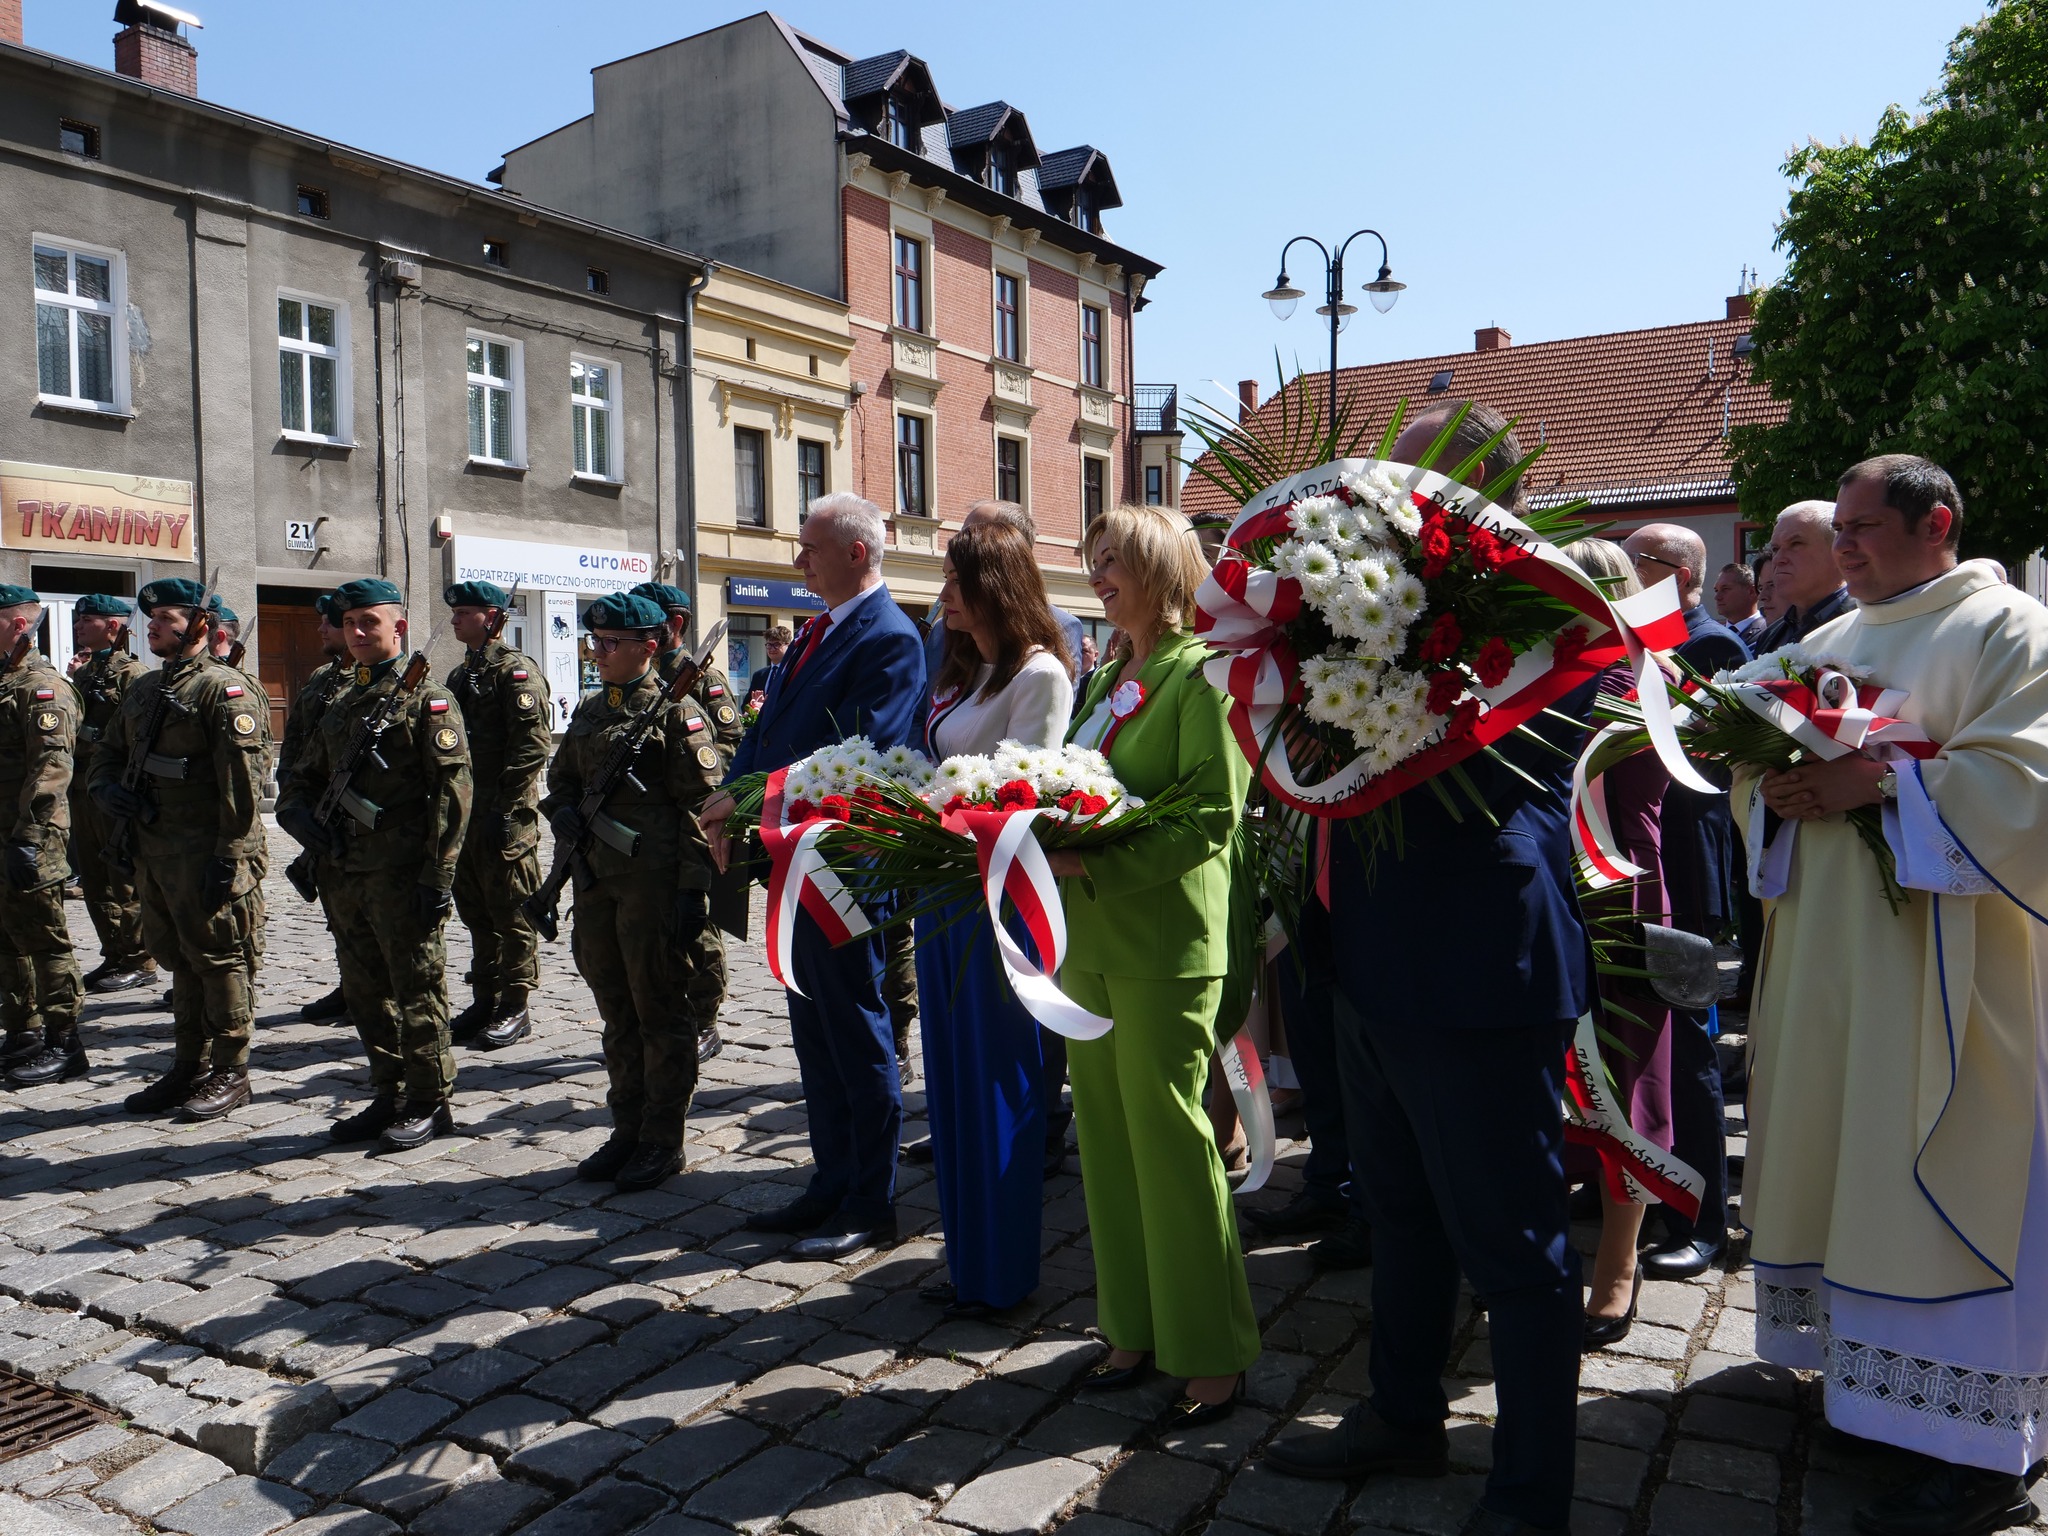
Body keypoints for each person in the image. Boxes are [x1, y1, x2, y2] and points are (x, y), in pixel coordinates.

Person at [1264, 403, 1587, 1536]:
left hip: (1474, 966)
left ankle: (1530, 1493)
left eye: (1410, 481)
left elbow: (1500, 768)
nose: (1383, 499)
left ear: (1470, 494)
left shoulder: (1544, 610)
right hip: (1369, 952)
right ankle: (1401, 1415)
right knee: (1398, 1212)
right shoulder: (1369, 606)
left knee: (1512, 1243)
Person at [1744, 456, 2048, 1536]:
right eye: (1839, 528)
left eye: (1864, 527)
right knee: (1850, 1156)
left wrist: (1876, 781)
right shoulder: (1825, 642)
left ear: (1936, 523)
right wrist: (1774, 790)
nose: (1845, 545)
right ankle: (1873, 1395)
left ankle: (1980, 1450)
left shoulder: (2009, 629)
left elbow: (2028, 787)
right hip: (1830, 963)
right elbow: (1749, 767)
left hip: (1948, 971)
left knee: (1946, 1163)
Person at [1048, 502, 1259, 1429]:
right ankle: (1131, 1328)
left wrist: (1086, 862)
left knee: (1172, 1146)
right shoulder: (1106, 676)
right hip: (1091, 941)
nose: (1097, 577)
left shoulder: (1205, 672)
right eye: (1093, 560)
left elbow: (1212, 815)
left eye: (1114, 562)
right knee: (1105, 1140)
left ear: (1164, 572)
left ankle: (1211, 1354)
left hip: (1166, 944)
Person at [700, 493, 926, 1259]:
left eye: (810, 547)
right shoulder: (816, 629)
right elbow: (765, 731)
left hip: (845, 867)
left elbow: (863, 753)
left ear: (857, 552)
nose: (798, 559)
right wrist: (731, 796)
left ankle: (871, 1200)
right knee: (815, 1032)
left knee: (857, 1033)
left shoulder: (889, 636)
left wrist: (747, 799)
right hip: (792, 862)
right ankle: (830, 1182)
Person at [914, 521, 1073, 1318]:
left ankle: (1002, 1271)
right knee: (951, 1085)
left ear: (994, 587)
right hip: (942, 894)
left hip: (996, 898)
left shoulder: (1038, 675)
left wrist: (933, 809)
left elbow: (1021, 799)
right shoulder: (965, 669)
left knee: (998, 1082)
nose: (944, 594)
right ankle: (966, 1258)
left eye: (957, 580)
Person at [277, 579, 471, 1150]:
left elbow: (453, 795)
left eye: (370, 622)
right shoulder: (342, 701)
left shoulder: (427, 700)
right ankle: (389, 1090)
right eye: (349, 623)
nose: (358, 632)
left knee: (416, 987)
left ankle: (430, 1100)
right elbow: (305, 772)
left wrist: (438, 875)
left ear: (399, 628)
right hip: (343, 869)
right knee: (364, 988)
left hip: (400, 871)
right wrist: (295, 814)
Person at [545, 590, 725, 1190]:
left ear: (649, 646)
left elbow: (702, 809)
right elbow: (562, 776)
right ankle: (627, 1127)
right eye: (594, 641)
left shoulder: (677, 714)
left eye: (609, 643)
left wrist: (692, 893)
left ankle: (662, 1138)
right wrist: (562, 809)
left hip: (653, 887)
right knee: (616, 1011)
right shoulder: (592, 709)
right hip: (595, 882)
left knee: (660, 1010)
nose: (597, 652)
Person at [1621, 523, 1748, 1280]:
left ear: (1674, 572)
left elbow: (1704, 769)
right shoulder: (1637, 639)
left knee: (1687, 1043)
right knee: (1631, 1038)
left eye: (1632, 560)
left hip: (1680, 873)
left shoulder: (1709, 645)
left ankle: (1701, 1217)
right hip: (1630, 869)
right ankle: (1633, 1181)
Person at [92, 579, 266, 1120]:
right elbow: (108, 753)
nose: (154, 625)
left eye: (167, 617)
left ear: (200, 624)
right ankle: (189, 1063)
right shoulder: (146, 689)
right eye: (153, 617)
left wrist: (229, 855)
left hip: (205, 851)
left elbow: (244, 784)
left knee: (219, 959)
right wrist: (106, 789)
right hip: (155, 849)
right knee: (182, 961)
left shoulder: (224, 689)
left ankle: (232, 1070)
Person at [1563, 539, 1679, 1348]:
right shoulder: (1537, 673)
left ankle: (1618, 1263)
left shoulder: (1641, 673)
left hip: (1622, 892)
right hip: (1547, 890)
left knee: (1627, 1078)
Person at [443, 581, 551, 1052]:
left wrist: (505, 805)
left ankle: (515, 1004)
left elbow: (532, 746)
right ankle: (484, 998)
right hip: (467, 812)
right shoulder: (458, 675)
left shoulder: (515, 672)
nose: (455, 619)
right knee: (475, 910)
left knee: (511, 910)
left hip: (504, 813)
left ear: (491, 617)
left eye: (464, 612)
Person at [0, 591, 86, 1090]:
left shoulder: (42, 687)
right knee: (6, 940)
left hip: (30, 835)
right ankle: (22, 1032)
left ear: (17, 625)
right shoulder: (5, 682)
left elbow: (51, 768)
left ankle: (65, 1042)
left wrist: (29, 837)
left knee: (43, 938)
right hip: (2, 833)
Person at [64, 594, 154, 995]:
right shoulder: (86, 672)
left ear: (113, 626)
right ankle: (114, 952)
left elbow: (135, 734)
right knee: (94, 876)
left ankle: (140, 957)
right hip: (82, 786)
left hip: (114, 786)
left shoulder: (133, 674)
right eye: (79, 620)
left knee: (123, 876)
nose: (79, 626)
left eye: (88, 620)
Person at [283, 594, 355, 1024]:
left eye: (329, 623)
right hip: (317, 807)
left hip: (353, 808)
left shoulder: (381, 683)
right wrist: (291, 791)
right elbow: (296, 734)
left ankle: (372, 990)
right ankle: (351, 986)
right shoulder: (322, 677)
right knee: (337, 907)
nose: (321, 629)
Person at [1754, 499, 1851, 651]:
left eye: (1795, 544)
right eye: (1775, 549)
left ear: (1836, 550)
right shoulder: (1770, 637)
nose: (1778, 559)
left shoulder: (1867, 622)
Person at [1713, 561, 1766, 648]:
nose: (1717, 597)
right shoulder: (1713, 635)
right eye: (1716, 590)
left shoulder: (1768, 632)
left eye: (1725, 589)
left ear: (1751, 592)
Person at [747, 625, 791, 707]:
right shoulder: (759, 675)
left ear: (788, 646)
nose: (772, 649)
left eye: (777, 644)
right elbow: (745, 705)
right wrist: (754, 705)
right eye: (769, 645)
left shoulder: (792, 672)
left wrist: (766, 706)